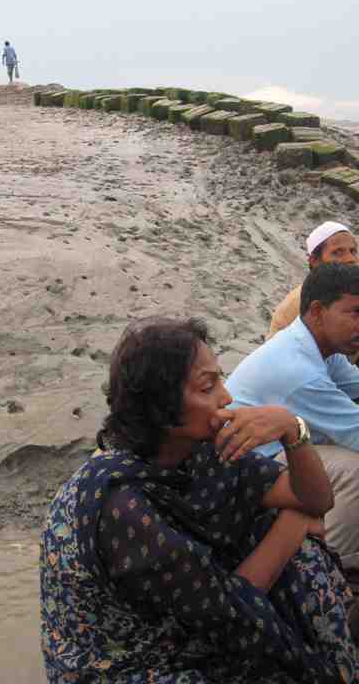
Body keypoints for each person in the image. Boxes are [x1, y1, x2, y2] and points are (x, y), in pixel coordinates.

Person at [41, 315, 358, 684]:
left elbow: (316, 498)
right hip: (125, 662)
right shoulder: (121, 505)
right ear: (161, 409)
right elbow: (231, 614)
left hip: (195, 617)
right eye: (208, 387)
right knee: (284, 538)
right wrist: (295, 520)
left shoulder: (197, 453)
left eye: (220, 379)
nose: (226, 397)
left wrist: (292, 430)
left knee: (298, 555)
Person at [227, 263, 359, 574]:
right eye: (355, 313)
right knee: (355, 470)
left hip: (271, 452)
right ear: (317, 311)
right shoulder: (300, 371)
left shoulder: (317, 345)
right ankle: (331, 567)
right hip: (246, 471)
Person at [267, 221, 357, 339]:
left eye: (353, 251)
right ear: (314, 261)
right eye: (338, 252)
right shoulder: (294, 306)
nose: (350, 259)